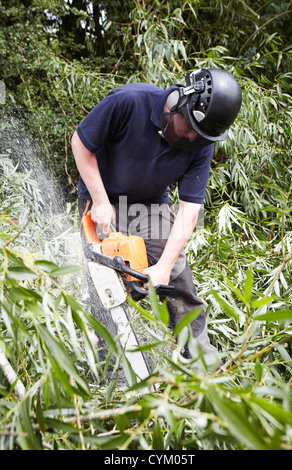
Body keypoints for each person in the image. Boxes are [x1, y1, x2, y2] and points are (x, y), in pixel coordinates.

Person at [72, 67, 242, 371]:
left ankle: (199, 355)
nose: (190, 137)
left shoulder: (201, 143)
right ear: (178, 100)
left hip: (150, 204)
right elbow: (81, 144)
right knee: (105, 283)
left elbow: (189, 211)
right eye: (189, 126)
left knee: (176, 271)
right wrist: (99, 200)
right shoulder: (128, 103)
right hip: (101, 197)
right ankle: (112, 368)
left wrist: (162, 268)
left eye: (199, 136)